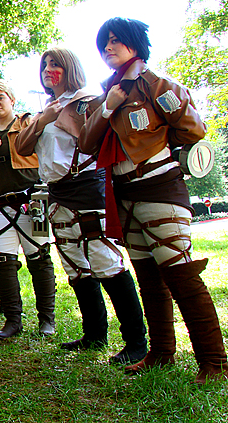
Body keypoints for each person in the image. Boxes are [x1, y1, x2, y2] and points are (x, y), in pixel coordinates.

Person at [79, 18, 228, 383]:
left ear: (135, 44)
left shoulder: (158, 86)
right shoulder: (109, 93)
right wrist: (109, 106)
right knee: (148, 277)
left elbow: (193, 130)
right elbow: (86, 142)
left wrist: (163, 151)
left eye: (116, 40)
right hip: (125, 193)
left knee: (180, 273)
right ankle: (161, 352)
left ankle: (215, 363)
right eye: (104, 43)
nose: (108, 47)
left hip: (160, 188)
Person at [15, 48, 147, 364]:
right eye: (44, 65)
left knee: (105, 261)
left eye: (55, 64)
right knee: (75, 266)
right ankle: (94, 334)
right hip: (58, 194)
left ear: (70, 68)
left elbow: (99, 139)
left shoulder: (88, 102)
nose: (48, 69)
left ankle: (136, 342)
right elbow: (22, 147)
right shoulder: (45, 109)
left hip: (87, 190)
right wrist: (44, 119)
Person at [0, 79, 56, 339]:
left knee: (39, 259)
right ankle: (13, 320)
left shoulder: (29, 123)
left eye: (0, 98)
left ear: (12, 99)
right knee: (0, 261)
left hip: (31, 201)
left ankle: (46, 319)